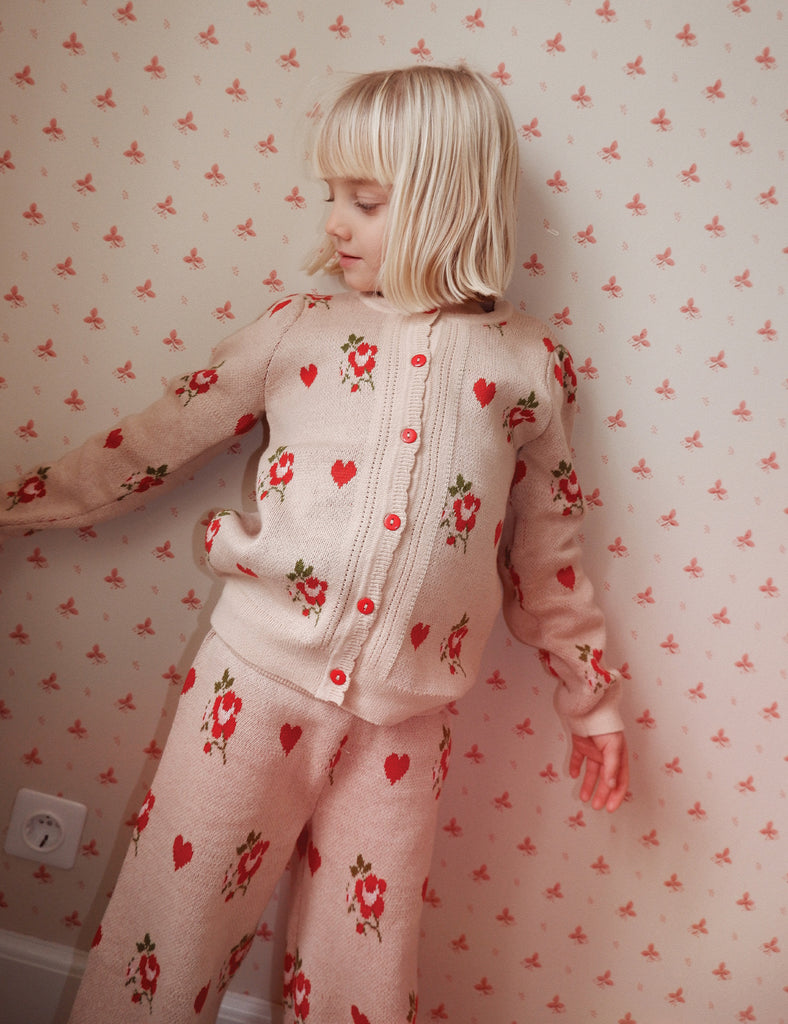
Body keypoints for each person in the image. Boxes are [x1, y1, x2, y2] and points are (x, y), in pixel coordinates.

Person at [1, 65, 629, 1024]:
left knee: (363, 972)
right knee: (168, 934)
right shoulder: (298, 330)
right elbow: (157, 440)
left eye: (365, 201)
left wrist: (591, 702)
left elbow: (548, 555)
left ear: (446, 201)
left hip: (407, 722)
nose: (334, 222)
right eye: (333, 197)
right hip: (252, 685)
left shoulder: (529, 366)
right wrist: (24, 505)